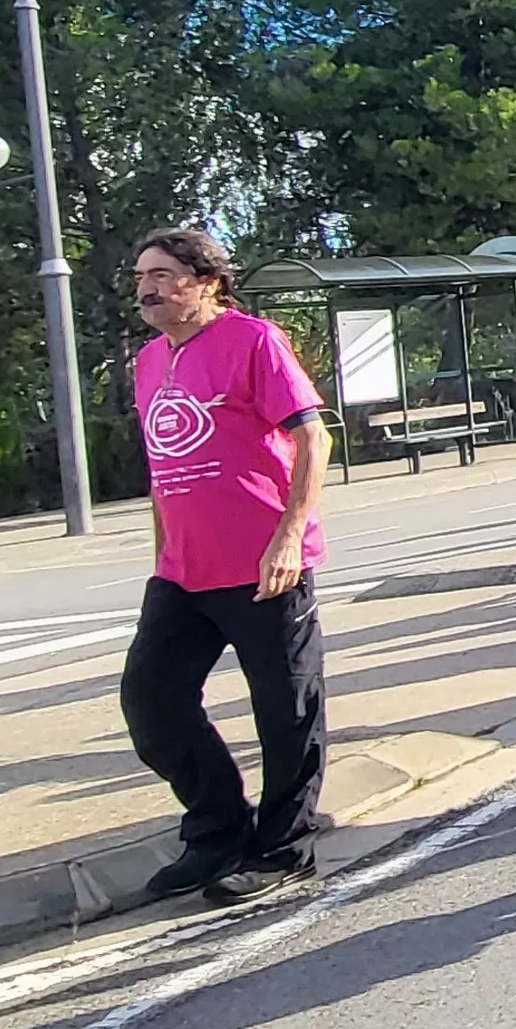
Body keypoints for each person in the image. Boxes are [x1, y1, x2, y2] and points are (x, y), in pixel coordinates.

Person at [122, 229, 333, 905]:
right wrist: (162, 554)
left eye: (161, 274)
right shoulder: (149, 361)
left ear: (205, 279)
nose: (147, 289)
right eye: (139, 278)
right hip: (184, 570)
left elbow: (312, 437)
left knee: (284, 708)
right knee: (151, 700)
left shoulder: (254, 340)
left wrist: (288, 536)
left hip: (264, 562)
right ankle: (216, 828)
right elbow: (162, 469)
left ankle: (282, 847)